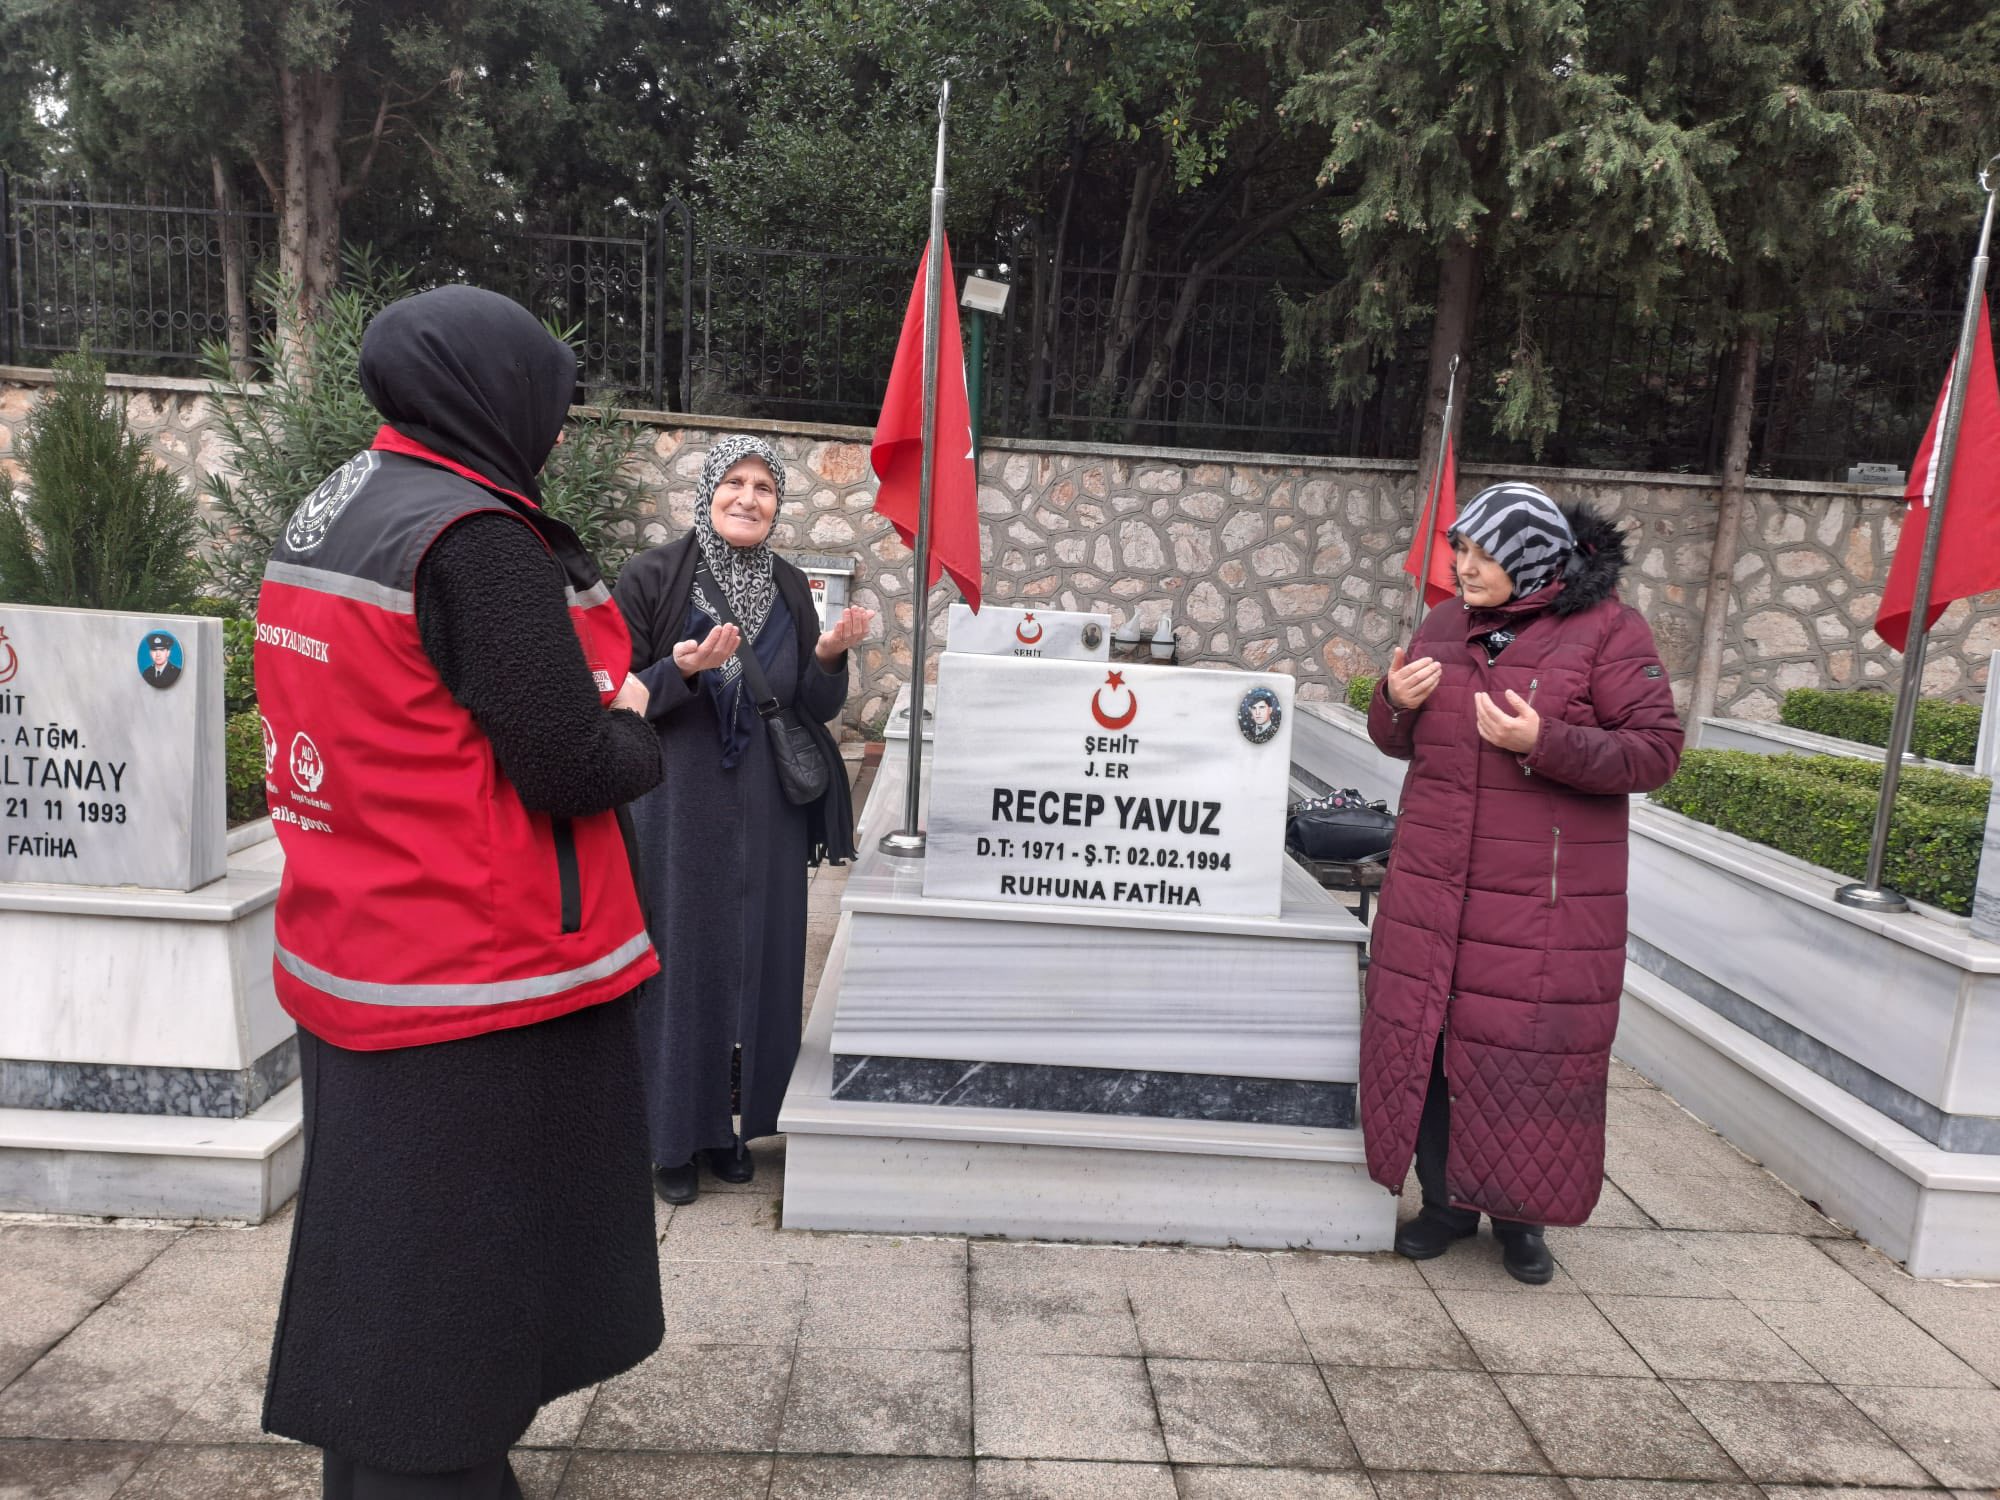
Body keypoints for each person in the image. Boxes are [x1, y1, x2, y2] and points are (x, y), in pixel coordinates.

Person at [255, 286, 667, 1498]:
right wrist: (639, 722)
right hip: (471, 975)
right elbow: (569, 761)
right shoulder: (474, 539)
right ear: (491, 396)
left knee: (388, 1280)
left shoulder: (343, 507)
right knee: (444, 1304)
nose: (549, 426)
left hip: (361, 942)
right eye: (544, 398)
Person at [1361, 481, 1682, 1283]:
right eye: (1459, 549)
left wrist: (1548, 741)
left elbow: (1655, 753)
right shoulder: (1442, 625)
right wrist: (1391, 704)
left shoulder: (1609, 632)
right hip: (1435, 891)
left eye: (1478, 553)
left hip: (1541, 905)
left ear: (1528, 555)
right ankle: (1443, 1205)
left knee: (1525, 1054)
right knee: (1430, 1048)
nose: (1460, 567)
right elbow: (1399, 742)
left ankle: (1521, 1221)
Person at [615, 435, 870, 1204]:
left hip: (767, 813)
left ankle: (733, 1127)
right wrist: (681, 672)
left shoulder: (793, 586)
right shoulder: (654, 576)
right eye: (735, 482)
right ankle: (670, 1135)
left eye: (764, 487)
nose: (749, 498)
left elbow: (814, 708)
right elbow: (616, 691)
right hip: (678, 804)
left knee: (757, 964)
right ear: (708, 492)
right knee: (682, 961)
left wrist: (828, 656)